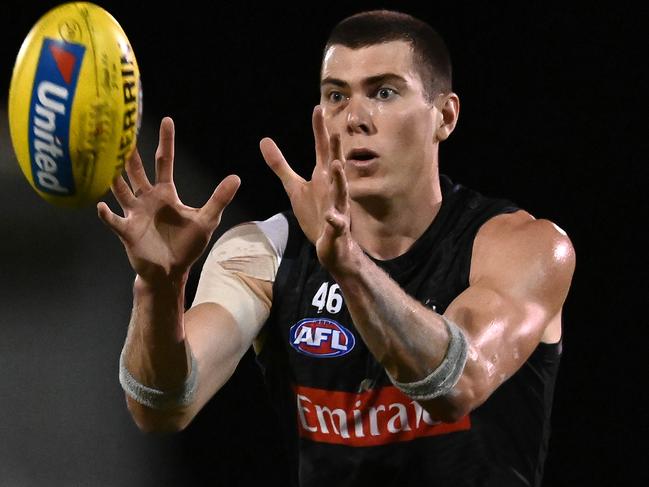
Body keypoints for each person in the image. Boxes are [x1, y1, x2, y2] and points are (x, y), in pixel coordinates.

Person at [97, 9, 575, 487]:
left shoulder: (525, 247)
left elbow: (457, 383)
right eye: (336, 96)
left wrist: (348, 265)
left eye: (384, 92)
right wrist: (159, 289)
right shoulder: (266, 252)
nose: (355, 119)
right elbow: (161, 407)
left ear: (445, 116)